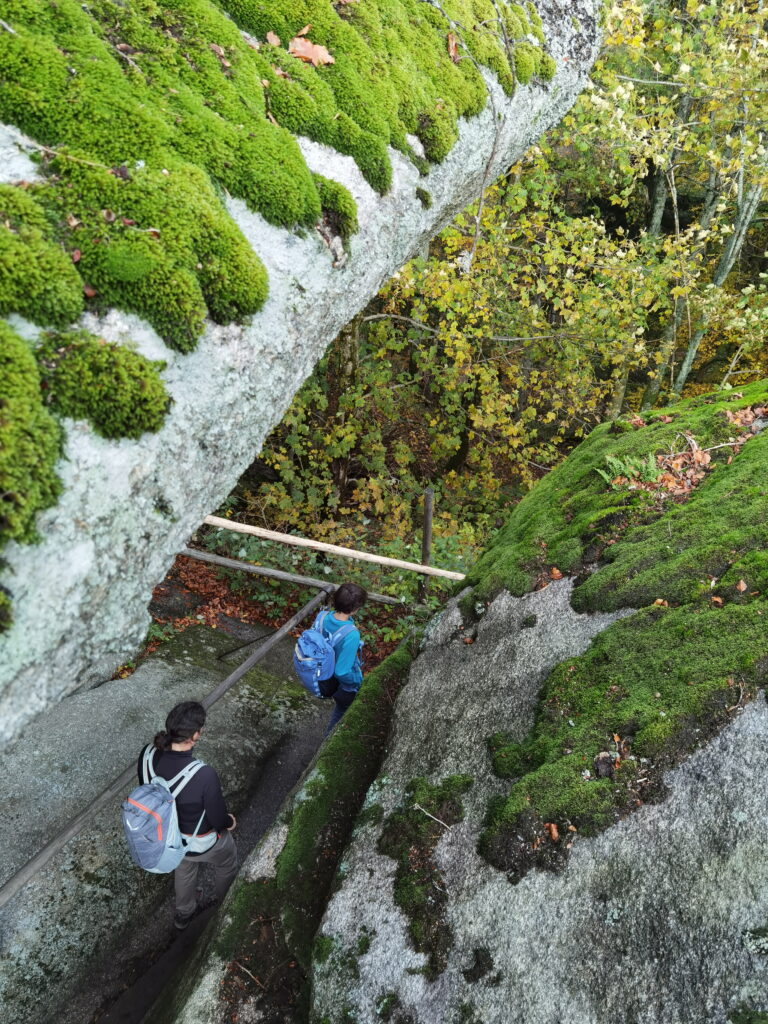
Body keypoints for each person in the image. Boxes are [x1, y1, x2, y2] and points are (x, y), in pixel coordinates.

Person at [137, 701, 238, 930]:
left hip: (169, 838)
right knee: (227, 863)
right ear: (195, 735)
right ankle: (228, 907)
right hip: (200, 841)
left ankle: (184, 914)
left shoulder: (147, 755)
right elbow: (217, 819)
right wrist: (229, 822)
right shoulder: (203, 774)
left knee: (184, 869)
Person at [317, 582, 367, 733]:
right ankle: (327, 745)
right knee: (341, 713)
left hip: (324, 676)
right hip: (343, 687)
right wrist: (357, 682)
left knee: (340, 710)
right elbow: (342, 672)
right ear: (355, 609)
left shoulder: (322, 617)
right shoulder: (351, 634)